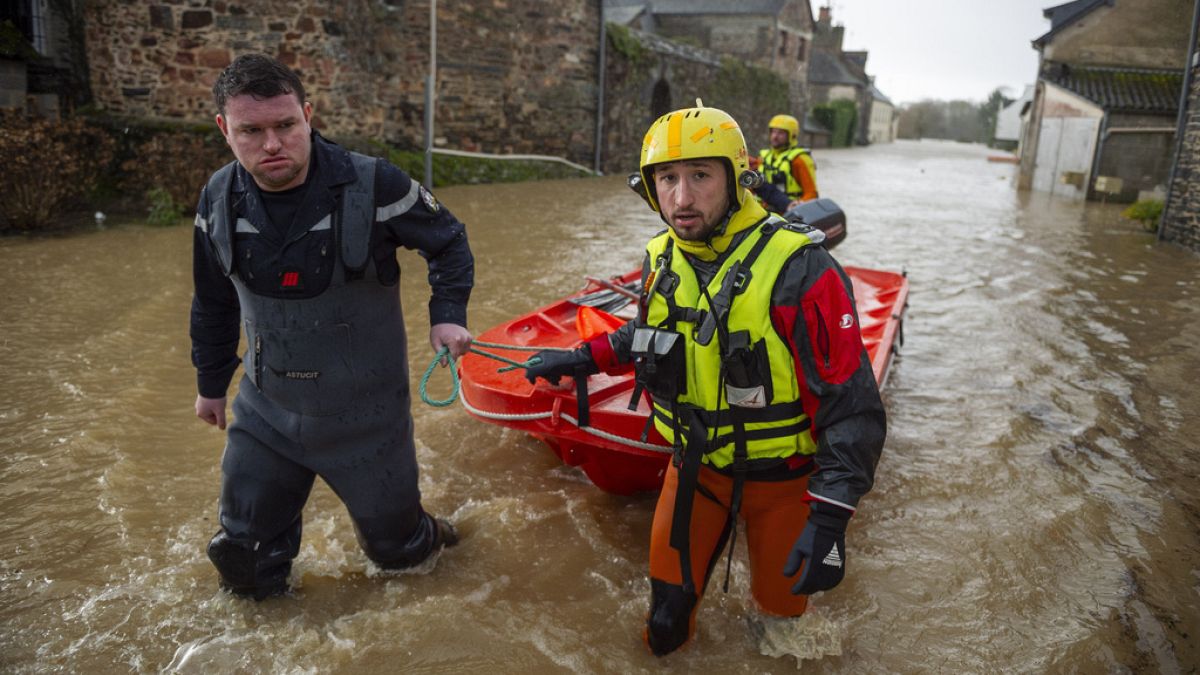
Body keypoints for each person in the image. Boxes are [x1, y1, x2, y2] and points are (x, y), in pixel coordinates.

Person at [524, 103, 884, 655]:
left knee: (782, 636)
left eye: (700, 176)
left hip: (784, 482)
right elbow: (646, 336)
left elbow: (851, 404)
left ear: (736, 179)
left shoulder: (801, 267)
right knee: (664, 626)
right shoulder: (660, 256)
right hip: (693, 468)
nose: (682, 199)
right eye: (667, 179)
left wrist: (831, 515)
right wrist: (580, 358)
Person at [190, 53, 473, 599]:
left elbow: (450, 242)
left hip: (367, 419)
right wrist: (210, 385)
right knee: (243, 563)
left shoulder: (375, 185)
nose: (272, 144)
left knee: (400, 557)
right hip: (266, 414)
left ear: (308, 116)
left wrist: (447, 317)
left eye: (286, 126)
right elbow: (211, 300)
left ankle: (439, 534)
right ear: (225, 130)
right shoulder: (217, 200)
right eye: (252, 130)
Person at [754, 113, 818, 209]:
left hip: (787, 212)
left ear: (792, 136)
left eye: (780, 133)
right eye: (773, 132)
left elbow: (811, 194)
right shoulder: (762, 157)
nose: (775, 136)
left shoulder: (799, 159)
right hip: (762, 211)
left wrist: (797, 208)